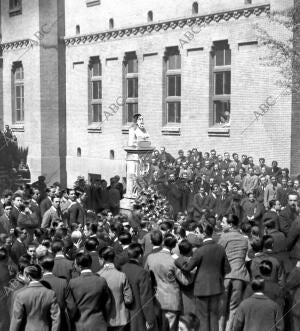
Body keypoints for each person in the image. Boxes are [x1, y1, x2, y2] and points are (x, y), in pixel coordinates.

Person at [175, 223, 230, 331]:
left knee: (203, 318)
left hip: (202, 289)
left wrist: (177, 259)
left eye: (197, 233)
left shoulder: (200, 251)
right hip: (216, 288)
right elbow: (227, 269)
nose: (196, 235)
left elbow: (187, 268)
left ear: (204, 234)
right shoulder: (220, 248)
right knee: (214, 317)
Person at [218, 215, 250, 331]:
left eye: (223, 222)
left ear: (230, 225)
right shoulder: (244, 239)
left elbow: (219, 255)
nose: (221, 224)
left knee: (221, 308)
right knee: (234, 307)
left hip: (226, 276)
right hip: (240, 275)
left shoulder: (224, 237)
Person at [66, 252, 111, 331]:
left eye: (75, 265)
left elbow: (71, 307)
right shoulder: (101, 280)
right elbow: (108, 303)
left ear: (79, 267)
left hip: (80, 324)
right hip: (99, 323)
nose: (74, 266)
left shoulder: (73, 283)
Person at [10, 264, 61, 331]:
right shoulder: (50, 293)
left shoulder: (20, 295)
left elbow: (16, 320)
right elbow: (56, 317)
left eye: (24, 276)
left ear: (28, 276)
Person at [121, 243, 157, 331]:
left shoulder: (122, 268)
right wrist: (150, 319)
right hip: (138, 315)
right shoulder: (142, 272)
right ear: (140, 255)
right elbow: (146, 297)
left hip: (124, 314)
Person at [98, 246, 133, 330]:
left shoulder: (98, 275)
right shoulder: (121, 275)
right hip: (120, 318)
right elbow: (129, 299)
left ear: (102, 259)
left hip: (104, 319)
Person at [40, 254, 72, 331]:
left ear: (41, 267)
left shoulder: (38, 283)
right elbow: (70, 304)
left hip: (43, 322)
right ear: (53, 266)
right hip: (61, 321)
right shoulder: (63, 282)